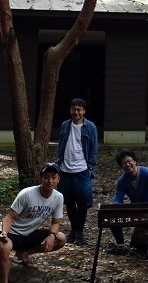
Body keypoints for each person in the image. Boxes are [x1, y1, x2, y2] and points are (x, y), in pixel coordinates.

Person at [0, 162, 67, 283]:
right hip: (12, 233)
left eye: (53, 177)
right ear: (41, 178)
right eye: (46, 177)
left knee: (61, 238)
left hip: (29, 235)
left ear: (58, 179)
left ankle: (24, 253)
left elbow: (56, 222)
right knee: (4, 249)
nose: (50, 181)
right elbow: (9, 217)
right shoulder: (27, 194)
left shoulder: (58, 197)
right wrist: (4, 233)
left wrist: (52, 235)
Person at [103, 149, 148, 260]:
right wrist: (116, 209)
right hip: (135, 210)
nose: (127, 165)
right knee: (111, 215)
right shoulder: (122, 181)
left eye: (129, 161)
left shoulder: (147, 172)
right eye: (124, 163)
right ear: (121, 166)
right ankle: (120, 246)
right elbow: (117, 198)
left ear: (135, 161)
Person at [56, 97, 98, 245]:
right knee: (69, 202)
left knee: (83, 202)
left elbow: (93, 148)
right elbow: (60, 145)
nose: (76, 112)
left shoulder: (90, 127)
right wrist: (58, 164)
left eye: (79, 109)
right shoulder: (65, 126)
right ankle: (74, 232)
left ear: (84, 111)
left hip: (82, 170)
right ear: (70, 110)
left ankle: (79, 233)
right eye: (74, 109)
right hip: (65, 169)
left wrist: (90, 167)